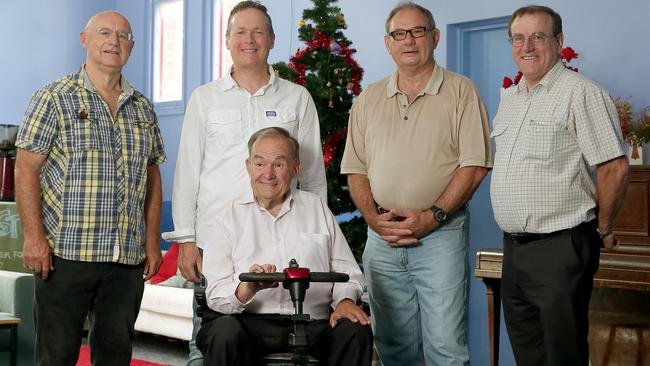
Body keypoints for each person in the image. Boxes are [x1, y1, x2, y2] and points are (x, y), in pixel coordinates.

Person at [161, 1, 327, 364]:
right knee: (208, 340)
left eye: (257, 32)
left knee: (282, 338)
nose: (248, 40)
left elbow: (313, 177)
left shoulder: (297, 98)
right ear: (227, 39)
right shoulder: (204, 99)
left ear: (271, 39)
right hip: (216, 242)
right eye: (240, 31)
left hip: (283, 240)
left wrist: (317, 237)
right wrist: (187, 241)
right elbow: (189, 171)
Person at [340, 2, 492, 365]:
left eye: (418, 31)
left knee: (445, 349)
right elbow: (355, 169)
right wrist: (375, 221)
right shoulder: (368, 100)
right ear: (388, 43)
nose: (408, 40)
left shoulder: (461, 91)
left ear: (434, 37)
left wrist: (433, 215)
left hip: (441, 236)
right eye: (399, 34)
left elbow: (474, 166)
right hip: (383, 238)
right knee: (393, 347)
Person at [15, 10, 166, 365]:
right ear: (85, 40)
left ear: (131, 47)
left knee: (116, 357)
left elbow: (153, 177)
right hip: (65, 256)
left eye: (123, 36)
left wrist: (152, 241)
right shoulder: (53, 98)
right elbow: (25, 170)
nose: (114, 41)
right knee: (56, 358)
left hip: (125, 261)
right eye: (104, 32)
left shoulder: (143, 108)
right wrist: (34, 238)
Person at [490, 5, 630, 366]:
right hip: (514, 252)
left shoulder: (581, 93)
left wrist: (603, 228)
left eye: (538, 36)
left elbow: (614, 166)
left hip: (560, 249)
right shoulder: (510, 98)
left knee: (562, 355)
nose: (528, 46)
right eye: (518, 38)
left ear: (558, 41)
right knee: (528, 356)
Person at [196, 127, 372, 366]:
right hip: (249, 324)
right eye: (259, 164)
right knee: (224, 332)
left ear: (295, 169)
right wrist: (246, 289)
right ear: (248, 167)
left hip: (315, 324)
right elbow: (214, 294)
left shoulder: (316, 208)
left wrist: (344, 301)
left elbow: (349, 274)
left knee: (355, 331)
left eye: (279, 164)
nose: (268, 173)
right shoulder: (227, 217)